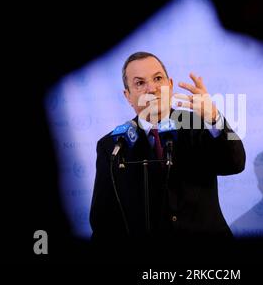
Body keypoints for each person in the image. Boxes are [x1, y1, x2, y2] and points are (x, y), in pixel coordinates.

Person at [89, 51, 246, 249]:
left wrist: (214, 117)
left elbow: (236, 163)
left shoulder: (198, 123)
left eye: (158, 79)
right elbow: (103, 220)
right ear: (127, 96)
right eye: (139, 83)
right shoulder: (112, 145)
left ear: (170, 85)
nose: (152, 88)